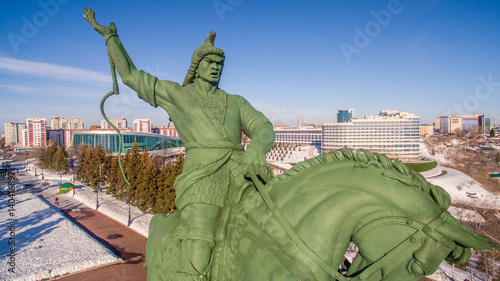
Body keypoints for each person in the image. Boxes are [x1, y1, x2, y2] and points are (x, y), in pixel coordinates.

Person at [84, 9, 275, 278]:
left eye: (220, 63)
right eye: (210, 61)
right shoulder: (179, 95)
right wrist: (111, 38)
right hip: (202, 181)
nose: (216, 66)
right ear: (197, 67)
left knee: (281, 230)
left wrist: (256, 147)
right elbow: (132, 77)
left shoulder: (236, 102)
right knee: (199, 253)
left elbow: (264, 126)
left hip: (241, 173)